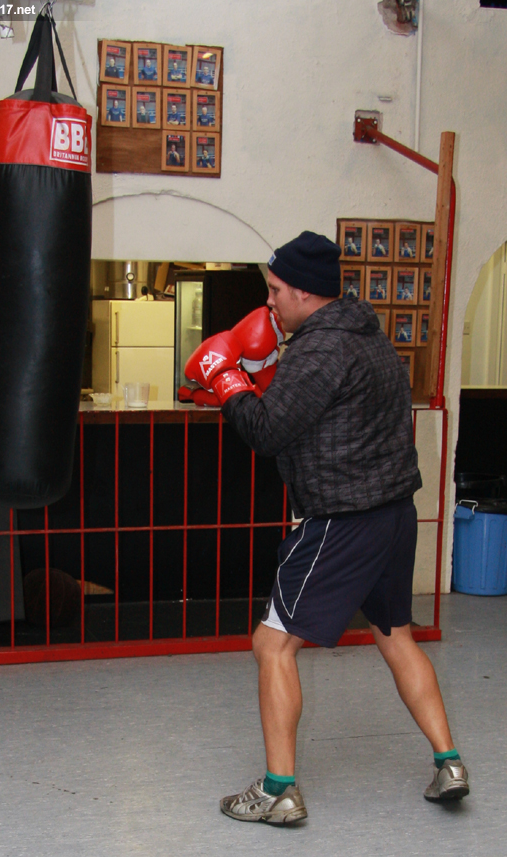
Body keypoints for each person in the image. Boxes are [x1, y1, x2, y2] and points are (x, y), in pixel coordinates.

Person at [185, 231, 469, 825]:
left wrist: (228, 377)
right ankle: (450, 763)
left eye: (274, 291)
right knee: (396, 636)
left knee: (272, 644)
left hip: (343, 519)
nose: (268, 304)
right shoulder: (368, 339)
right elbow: (312, 418)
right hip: (394, 514)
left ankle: (278, 790)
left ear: (304, 293)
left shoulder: (319, 350)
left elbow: (264, 432)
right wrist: (260, 382)